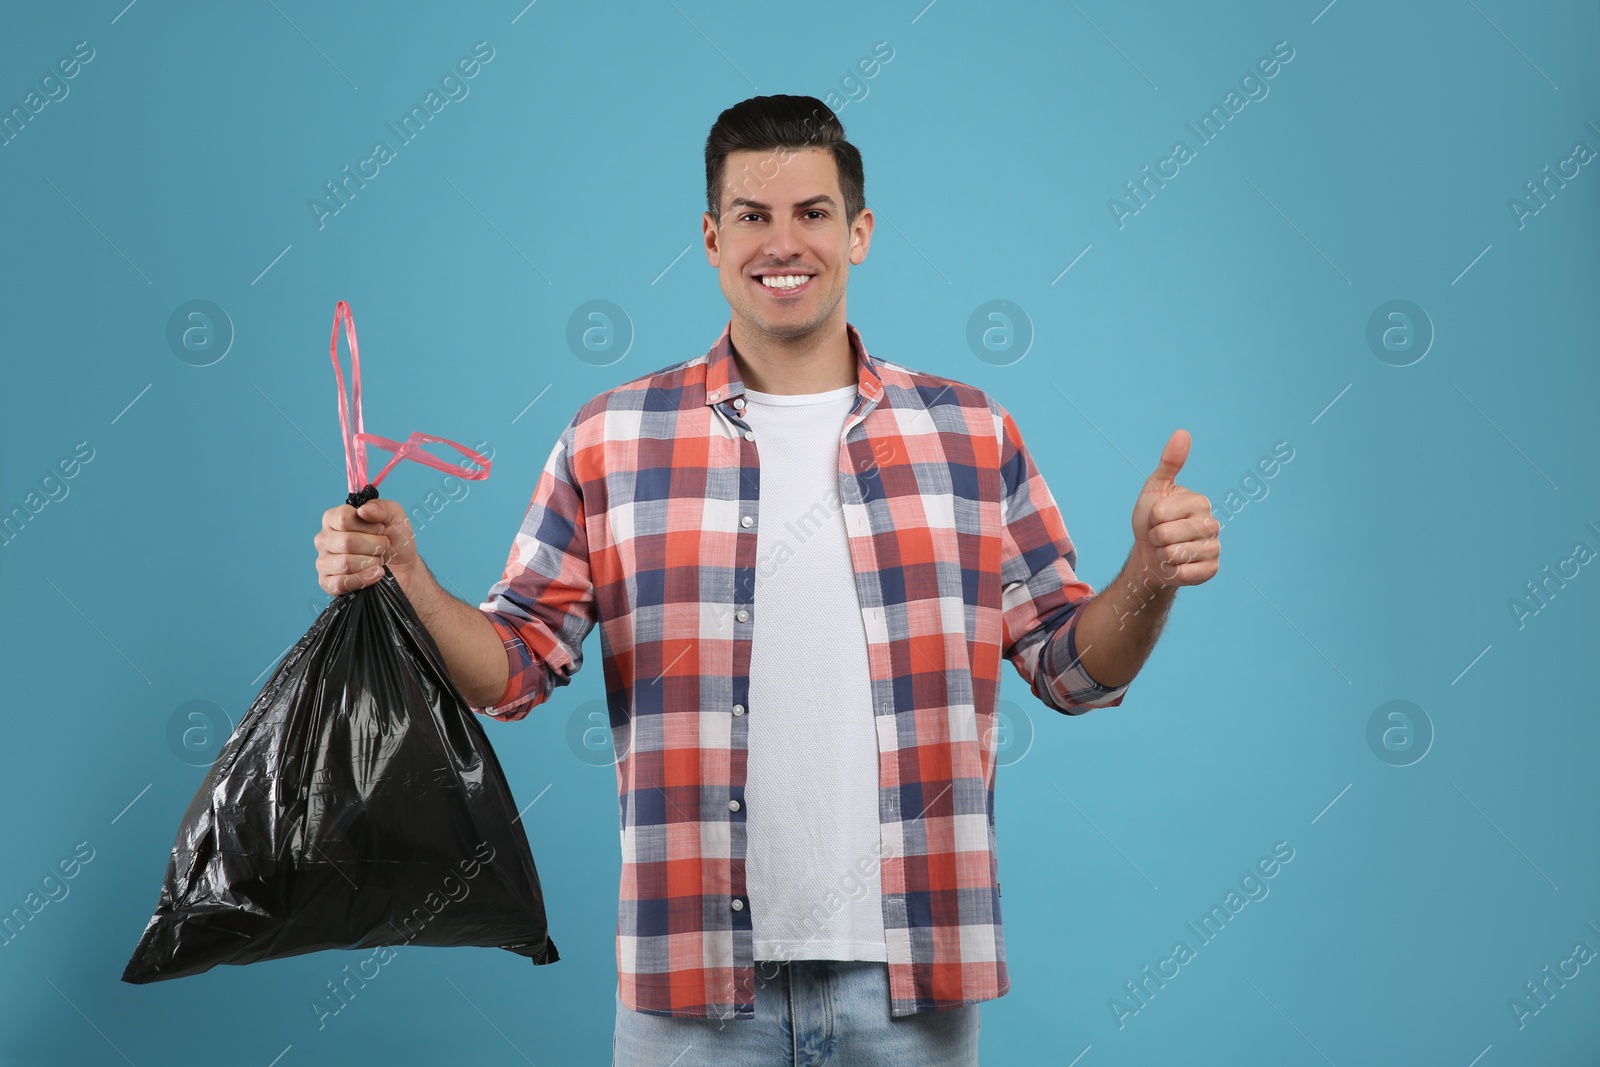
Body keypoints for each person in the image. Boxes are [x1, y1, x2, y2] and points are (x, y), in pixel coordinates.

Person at [313, 94, 1219, 1067]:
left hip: (912, 986)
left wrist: (1150, 574)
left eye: (812, 213)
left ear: (858, 232)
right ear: (712, 237)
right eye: (752, 214)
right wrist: (407, 574)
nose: (782, 242)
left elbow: (1068, 668)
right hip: (690, 987)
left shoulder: (968, 433)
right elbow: (514, 666)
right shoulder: (612, 437)